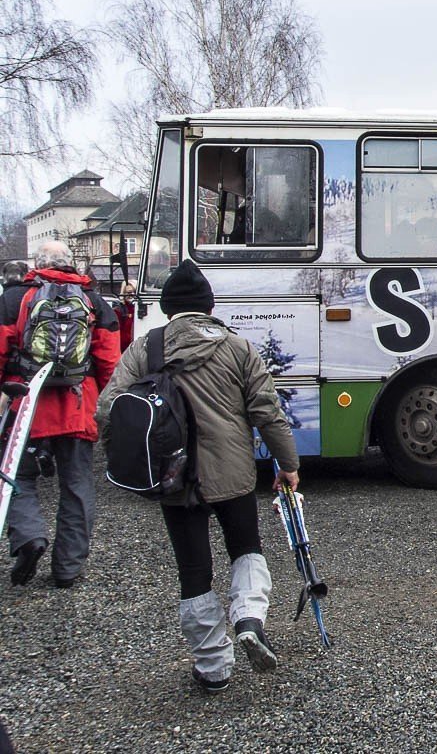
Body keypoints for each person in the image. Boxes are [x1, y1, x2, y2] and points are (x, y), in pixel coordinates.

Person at [95, 260, 300, 693]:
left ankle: (212, 668)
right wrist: (288, 464)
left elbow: (107, 407)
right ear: (208, 306)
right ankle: (249, 619)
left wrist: (122, 454)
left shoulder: (146, 348)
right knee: (246, 548)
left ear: (169, 308)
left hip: (174, 477)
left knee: (193, 569)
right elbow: (268, 413)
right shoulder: (238, 347)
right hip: (233, 473)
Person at [1, 241, 121, 589]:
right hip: (77, 406)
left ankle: (29, 536)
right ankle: (67, 568)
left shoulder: (14, 299)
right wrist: (103, 408)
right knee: (77, 486)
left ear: (35, 265)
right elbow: (109, 363)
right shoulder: (95, 302)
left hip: (26, 405)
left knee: (17, 476)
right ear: (73, 264)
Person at [114, 281, 137, 353]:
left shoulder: (142, 308)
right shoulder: (119, 310)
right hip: (124, 349)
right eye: (129, 292)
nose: (132, 295)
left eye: (135, 292)